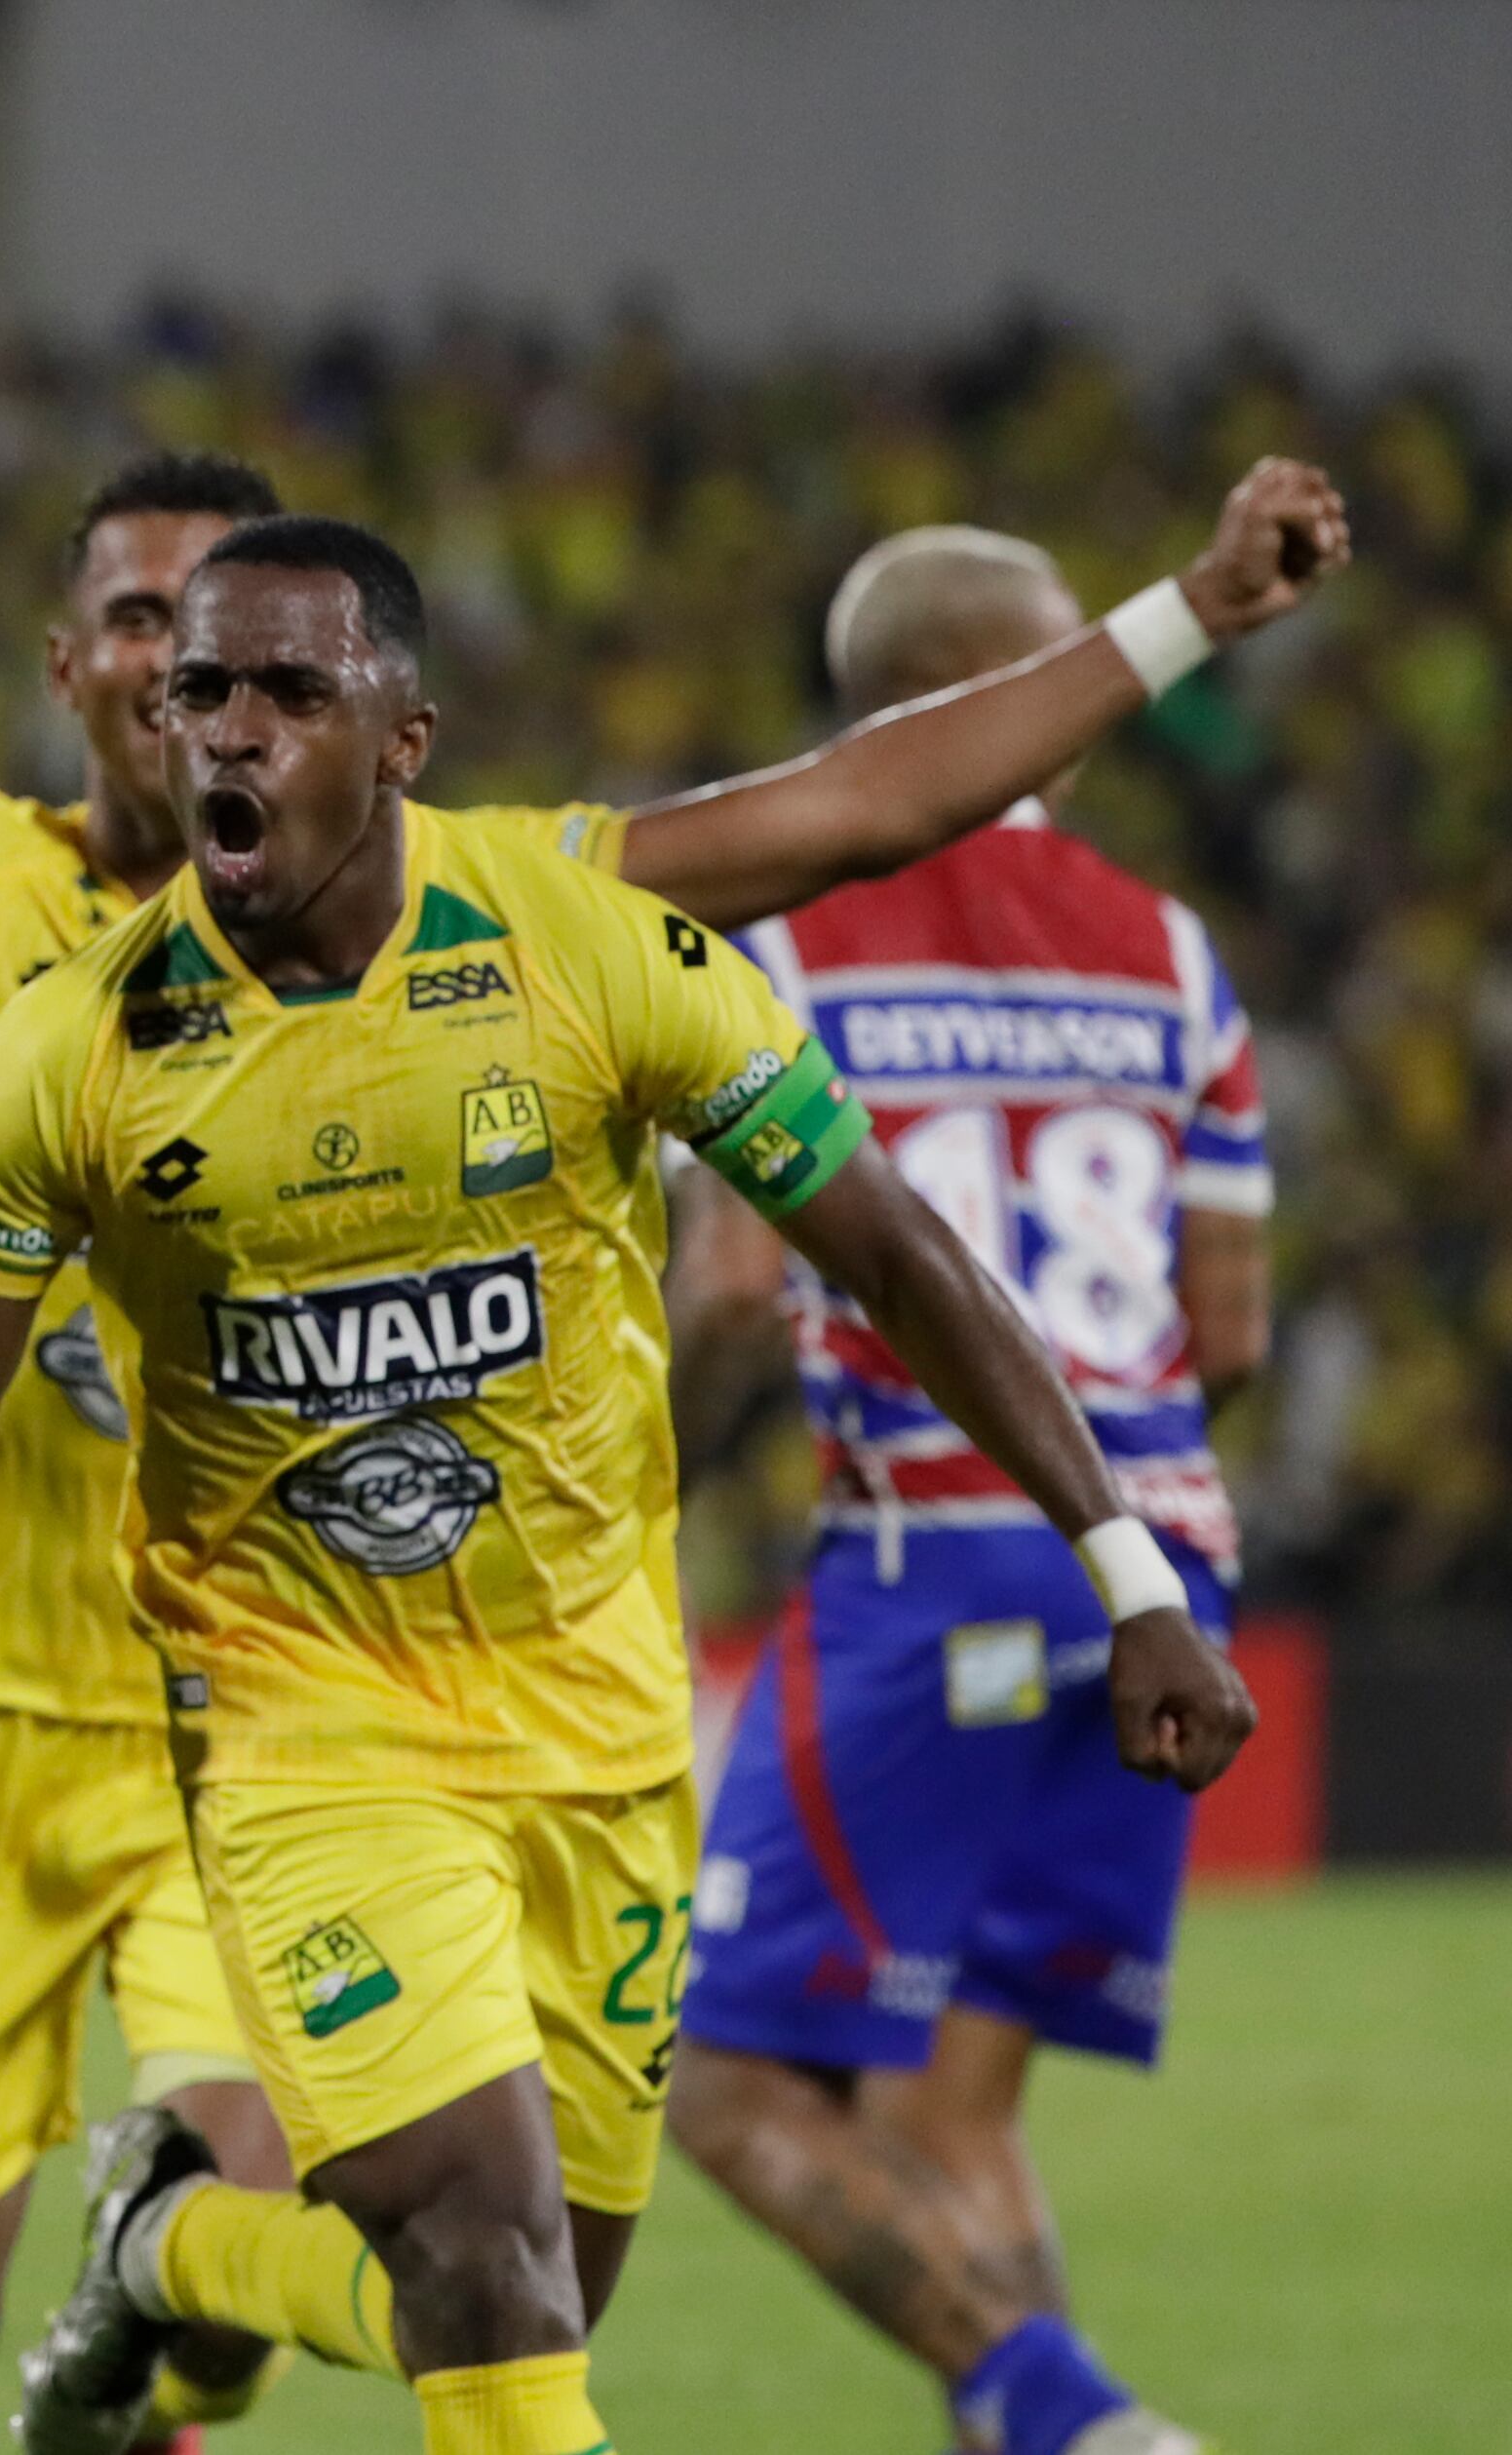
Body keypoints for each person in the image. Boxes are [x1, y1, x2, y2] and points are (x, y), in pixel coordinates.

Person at [0, 136, 1345, 2455]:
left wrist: (1184, 619)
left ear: (371, 712)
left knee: (463, 2266)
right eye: (143, 636)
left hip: (363, 1702)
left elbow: (857, 808)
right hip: (19, 1708)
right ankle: (140, 2284)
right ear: (79, 670)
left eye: (233, 652)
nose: (184, 689)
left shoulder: (539, 927)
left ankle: (170, 2273)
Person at [0, 513, 1267, 2455]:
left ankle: (169, 2241)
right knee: (488, 2263)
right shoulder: (71, 1053)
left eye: (286, 694)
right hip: (304, 1732)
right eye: (195, 695)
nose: (225, 736)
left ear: (400, 734)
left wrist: (1133, 1570)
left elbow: (897, 1250)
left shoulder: (580, 941)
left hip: (590, 1715)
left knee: (535, 2292)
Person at [658, 527, 1275, 2455]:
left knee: (727, 2086)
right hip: (1159, 1561)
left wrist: (637, 1483)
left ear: (881, 708)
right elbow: (1229, 1326)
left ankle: (1060, 2400)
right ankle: (1066, 2431)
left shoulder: (773, 941)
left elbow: (743, 1294)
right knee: (951, 2113)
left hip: (931, 1559)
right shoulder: (1173, 953)